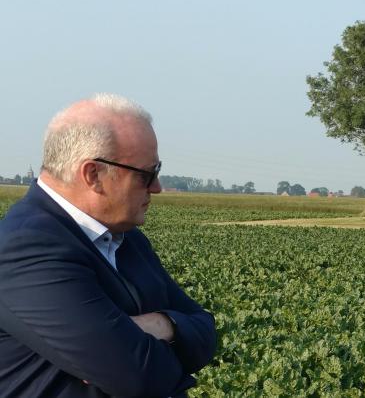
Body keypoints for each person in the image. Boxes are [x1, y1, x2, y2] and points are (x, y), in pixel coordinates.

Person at [0, 94, 216, 397]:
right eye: (146, 174)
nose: (157, 187)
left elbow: (206, 331)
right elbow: (138, 376)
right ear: (94, 175)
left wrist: (161, 323)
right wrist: (169, 341)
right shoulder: (24, 249)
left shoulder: (125, 238)